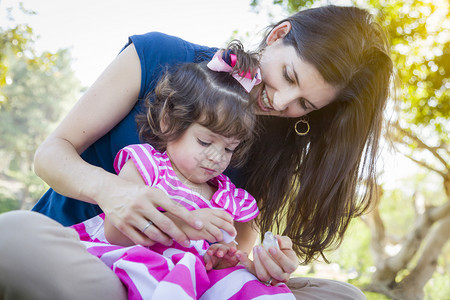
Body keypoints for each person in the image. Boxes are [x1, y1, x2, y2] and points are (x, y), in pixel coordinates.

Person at [0, 5, 392, 300]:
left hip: (187, 280)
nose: (281, 101)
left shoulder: (279, 141)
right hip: (87, 261)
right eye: (289, 76)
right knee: (13, 236)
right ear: (277, 35)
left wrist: (258, 264)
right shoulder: (158, 55)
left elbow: (235, 246)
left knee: (344, 297)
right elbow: (51, 154)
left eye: (304, 105)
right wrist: (114, 193)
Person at [70, 49, 295, 299]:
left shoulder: (226, 198)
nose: (217, 157)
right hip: (130, 262)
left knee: (248, 284)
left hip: (189, 278)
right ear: (169, 121)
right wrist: (185, 225)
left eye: (229, 148)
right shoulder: (148, 166)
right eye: (204, 142)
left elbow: (237, 251)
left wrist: (222, 256)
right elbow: (116, 233)